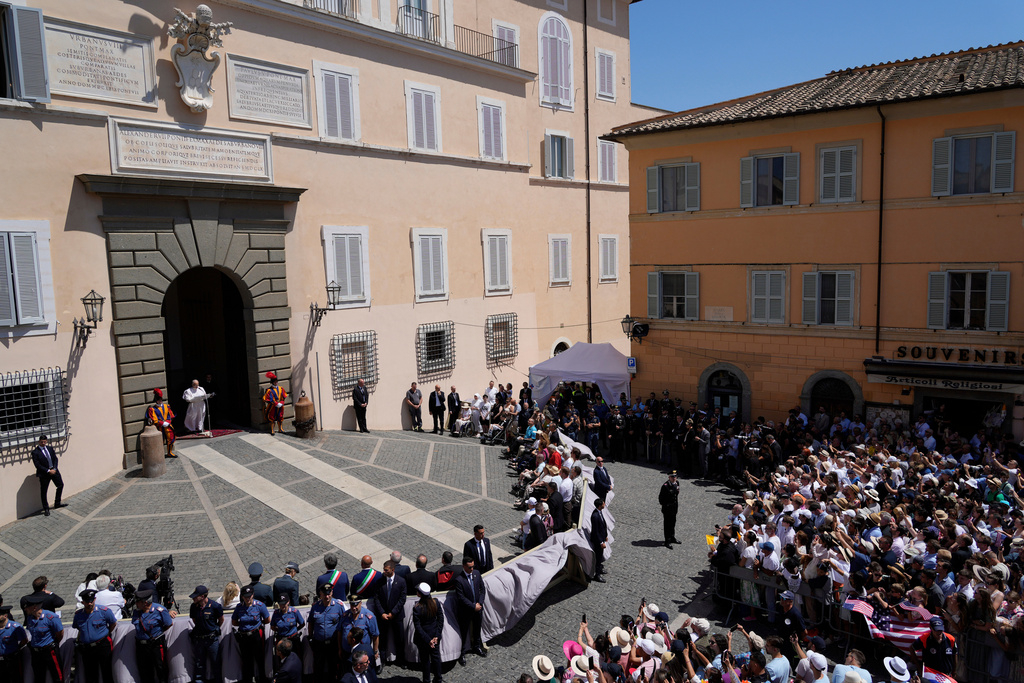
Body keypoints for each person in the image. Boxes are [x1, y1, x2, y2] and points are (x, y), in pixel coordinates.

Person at [73, 589, 116, 683]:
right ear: (83, 602)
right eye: (87, 602)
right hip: (87, 648)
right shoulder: (78, 615)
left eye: (91, 601)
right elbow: (77, 627)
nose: (90, 604)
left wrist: (105, 633)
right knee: (90, 675)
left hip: (102, 645)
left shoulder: (104, 611)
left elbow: (113, 623)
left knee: (107, 672)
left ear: (95, 599)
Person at [131, 589, 172, 683]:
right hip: (141, 645)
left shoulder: (159, 610)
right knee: (144, 670)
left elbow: (168, 624)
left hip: (155, 644)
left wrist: (158, 633)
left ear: (145, 603)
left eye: (138, 602)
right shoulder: (137, 612)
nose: (136, 604)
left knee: (160, 667)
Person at [232, 584, 270, 683]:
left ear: (253, 595)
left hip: (256, 635)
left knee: (259, 658)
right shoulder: (239, 607)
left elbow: (267, 619)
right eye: (245, 596)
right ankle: (248, 679)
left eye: (249, 596)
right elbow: (234, 621)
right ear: (242, 597)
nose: (247, 598)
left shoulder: (259, 605)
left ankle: (262, 679)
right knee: (246, 660)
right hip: (244, 636)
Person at [23, 593, 64, 683]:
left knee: (57, 676)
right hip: (36, 652)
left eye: (27, 607)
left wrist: (53, 643)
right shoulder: (30, 618)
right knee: (38, 677)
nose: (25, 609)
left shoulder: (50, 617)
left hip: (49, 650)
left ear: (34, 608)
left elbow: (60, 633)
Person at [308, 583, 345, 682]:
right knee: (318, 667)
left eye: (329, 594)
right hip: (319, 643)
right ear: (320, 594)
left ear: (332, 592)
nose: (327, 596)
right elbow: (310, 622)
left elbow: (343, 624)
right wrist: (310, 637)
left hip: (333, 643)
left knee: (333, 667)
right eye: (325, 594)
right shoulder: (315, 607)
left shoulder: (338, 606)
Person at [454, 556, 486, 665]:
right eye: (469, 567)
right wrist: (473, 606)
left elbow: (482, 589)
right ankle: (462, 653)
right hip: (466, 612)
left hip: (478, 609)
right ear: (464, 566)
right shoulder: (459, 580)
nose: (471, 569)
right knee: (464, 633)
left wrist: (480, 603)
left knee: (477, 630)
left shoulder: (476, 573)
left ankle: (476, 647)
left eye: (473, 566)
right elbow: (461, 597)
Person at [188, 585, 223, 683]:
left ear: (202, 597)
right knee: (199, 665)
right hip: (199, 640)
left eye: (196, 596)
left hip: (212, 640)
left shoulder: (215, 606)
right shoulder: (194, 607)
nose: (193, 598)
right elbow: (195, 620)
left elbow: (221, 620)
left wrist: (212, 628)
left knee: (216, 664)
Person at [374, 560, 406, 665]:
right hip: (383, 617)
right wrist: (382, 613)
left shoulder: (401, 581)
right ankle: (382, 661)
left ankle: (401, 660)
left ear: (392, 570)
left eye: (386, 570)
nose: (384, 571)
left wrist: (393, 612)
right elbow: (376, 599)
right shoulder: (379, 582)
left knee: (399, 639)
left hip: (396, 616)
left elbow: (402, 599)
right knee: (382, 640)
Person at [412, 583, 444, 683]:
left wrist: (427, 640)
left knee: (425, 660)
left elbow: (418, 626)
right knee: (436, 658)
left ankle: (426, 680)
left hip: (423, 639)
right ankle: (438, 678)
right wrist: (436, 636)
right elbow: (440, 619)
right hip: (434, 635)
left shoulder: (417, 608)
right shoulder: (436, 602)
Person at [339, 594, 379, 672]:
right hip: (347, 653)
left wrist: (375, 651)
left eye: (356, 605)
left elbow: (375, 635)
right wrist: (340, 648)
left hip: (362, 655)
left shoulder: (369, 617)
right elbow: (339, 632)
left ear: (360, 603)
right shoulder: (345, 616)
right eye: (352, 605)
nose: (354, 608)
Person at [271, 591, 304, 672]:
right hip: (282, 640)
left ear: (288, 602)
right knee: (282, 662)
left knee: (295, 659)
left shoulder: (294, 612)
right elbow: (272, 626)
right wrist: (280, 631)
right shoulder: (276, 613)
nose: (283, 605)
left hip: (293, 640)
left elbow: (302, 623)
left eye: (284, 603)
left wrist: (295, 630)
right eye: (281, 603)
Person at [32, 435, 65, 516]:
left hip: (54, 470)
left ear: (46, 441)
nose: (43, 443)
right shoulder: (35, 452)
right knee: (44, 491)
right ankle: (46, 508)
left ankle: (57, 503)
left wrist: (55, 468)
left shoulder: (50, 448)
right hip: (44, 474)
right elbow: (37, 465)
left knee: (60, 485)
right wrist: (48, 470)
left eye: (44, 441)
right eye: (41, 442)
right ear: (39, 442)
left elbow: (55, 458)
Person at [0, 604, 28, 682]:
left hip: (11, 659)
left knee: (15, 678)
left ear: (5, 616)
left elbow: (24, 640)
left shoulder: (15, 627)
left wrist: (16, 649)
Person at [146, 389, 176, 458]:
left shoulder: (166, 406)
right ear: (156, 400)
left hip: (167, 425)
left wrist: (168, 422)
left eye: (161, 399)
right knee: (159, 441)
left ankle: (169, 452)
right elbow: (154, 419)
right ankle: (159, 454)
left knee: (171, 438)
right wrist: (162, 423)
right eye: (158, 400)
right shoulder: (152, 409)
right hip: (159, 427)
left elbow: (170, 415)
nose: (160, 401)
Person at [660, 470, 680, 547]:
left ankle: (672, 537)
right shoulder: (665, 486)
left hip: (674, 507)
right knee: (667, 525)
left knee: (673, 523)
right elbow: (661, 499)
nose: (674, 478)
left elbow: (676, 494)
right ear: (669, 477)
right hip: (667, 509)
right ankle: (667, 541)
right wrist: (667, 505)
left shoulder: (677, 483)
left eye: (675, 476)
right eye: (672, 477)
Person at [590, 497, 608, 582]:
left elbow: (603, 526)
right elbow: (596, 531)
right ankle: (597, 575)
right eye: (603, 503)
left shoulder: (599, 513)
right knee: (598, 556)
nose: (604, 504)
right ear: (600, 506)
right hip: (598, 541)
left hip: (601, 538)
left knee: (600, 556)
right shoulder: (595, 516)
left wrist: (605, 536)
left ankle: (599, 569)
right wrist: (601, 542)